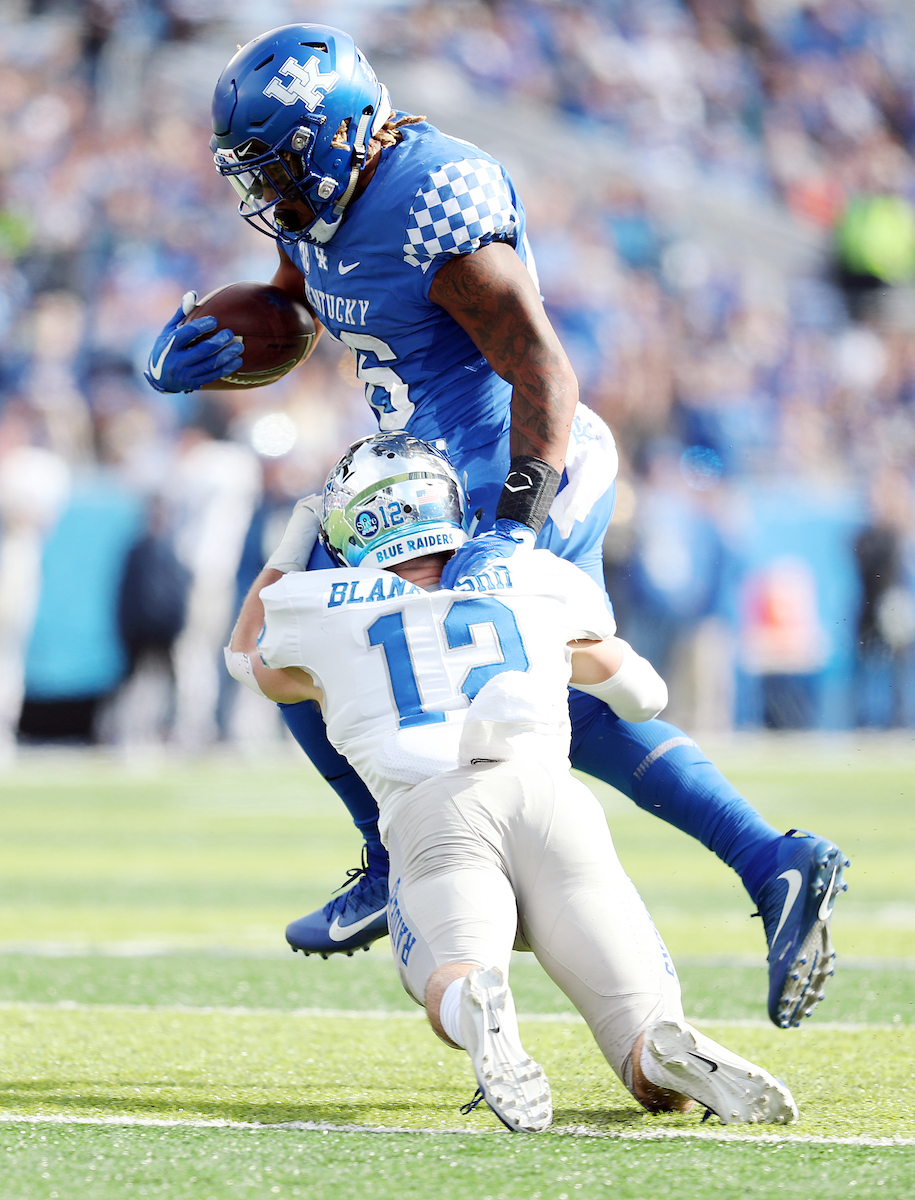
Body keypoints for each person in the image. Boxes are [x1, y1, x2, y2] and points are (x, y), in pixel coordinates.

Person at [146, 22, 848, 1029]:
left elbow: (544, 371)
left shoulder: (433, 201)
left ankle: (766, 861)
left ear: (340, 139)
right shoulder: (322, 199)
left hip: (520, 470)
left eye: (279, 168)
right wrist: (227, 337)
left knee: (543, 706)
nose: (269, 196)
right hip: (414, 494)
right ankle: (396, 855)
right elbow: (307, 307)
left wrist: (512, 525)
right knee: (275, 643)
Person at [226, 431, 798, 1131]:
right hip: (552, 802)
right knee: (641, 1040)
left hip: (436, 812)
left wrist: (291, 544)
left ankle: (478, 1003)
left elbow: (242, 655)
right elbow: (643, 696)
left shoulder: (319, 607)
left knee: (449, 973)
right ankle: (658, 1049)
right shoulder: (533, 577)